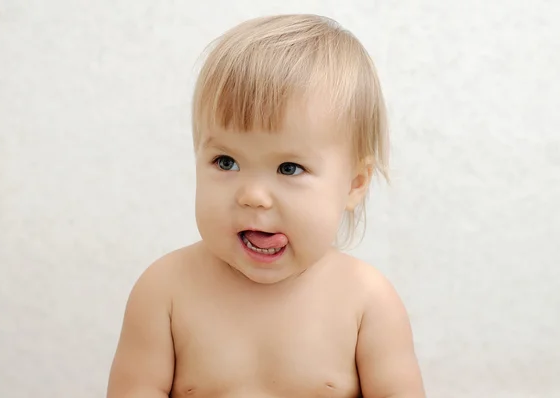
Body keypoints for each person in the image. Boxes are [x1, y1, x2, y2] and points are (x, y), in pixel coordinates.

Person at [106, 14, 426, 398]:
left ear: (354, 185)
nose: (252, 195)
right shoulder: (165, 293)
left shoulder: (367, 302)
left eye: (289, 168)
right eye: (226, 162)